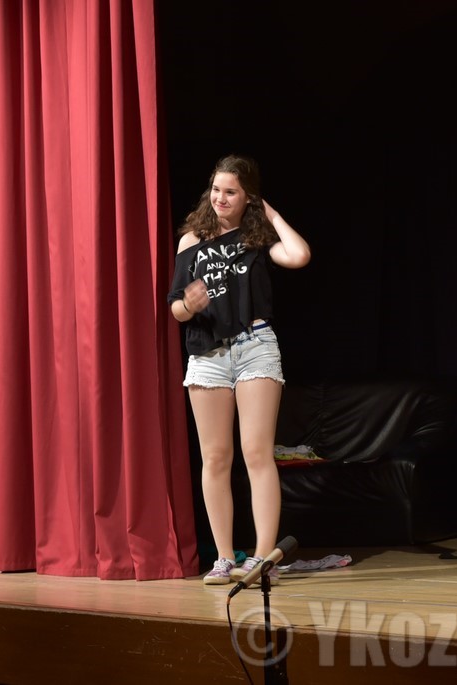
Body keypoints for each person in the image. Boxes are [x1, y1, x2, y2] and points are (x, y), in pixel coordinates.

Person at [167, 154, 311, 585]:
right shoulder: (192, 240)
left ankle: (265, 558)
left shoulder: (255, 237)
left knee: (255, 453)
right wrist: (187, 305)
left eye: (231, 191)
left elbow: (299, 255)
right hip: (207, 354)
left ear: (247, 195)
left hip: (255, 347)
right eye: (216, 190)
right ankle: (225, 559)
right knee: (214, 456)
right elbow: (175, 307)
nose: (220, 198)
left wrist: (269, 213)